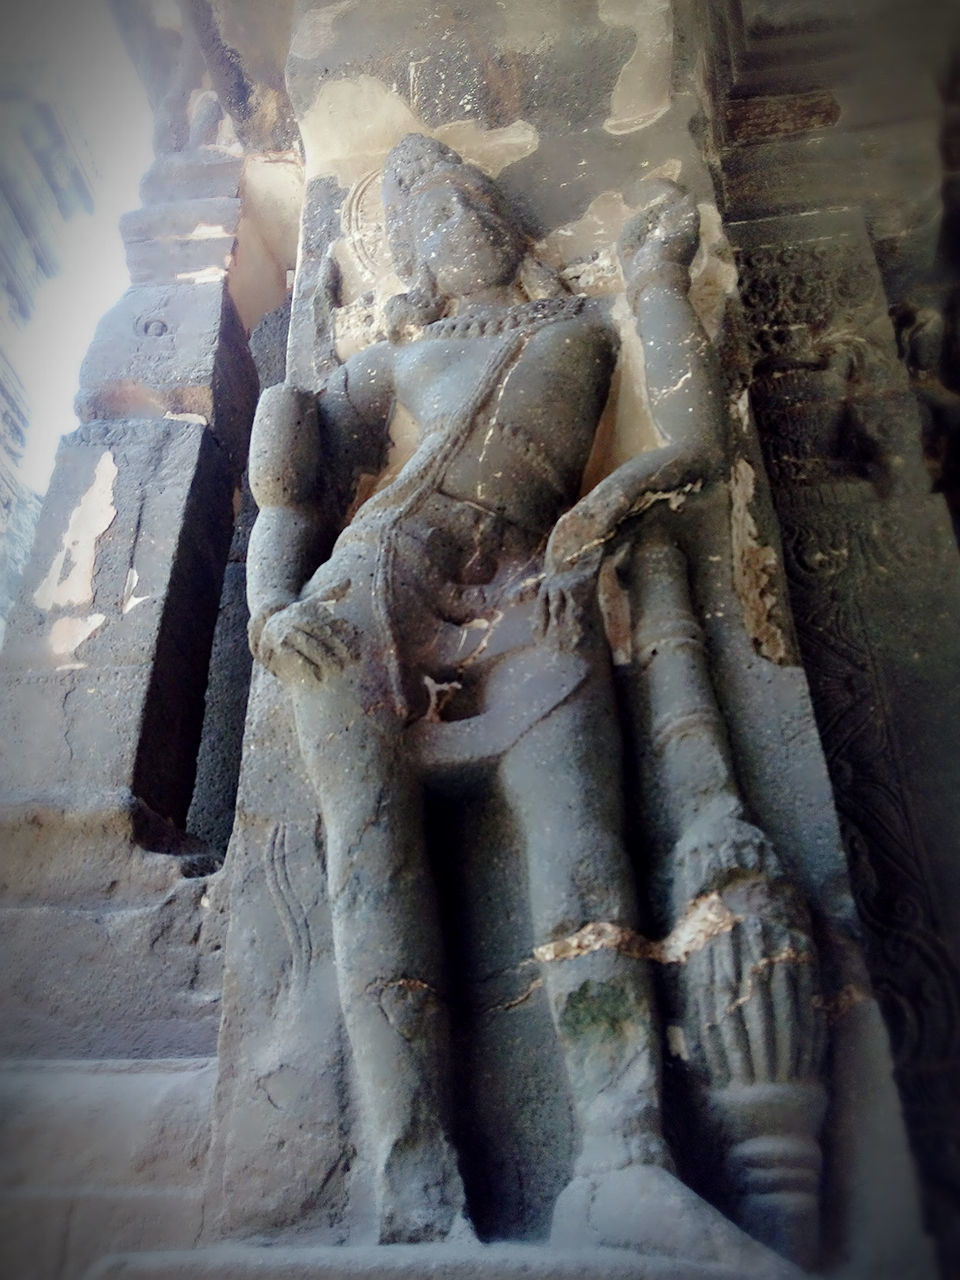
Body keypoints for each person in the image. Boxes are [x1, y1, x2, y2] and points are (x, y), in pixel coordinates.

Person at [246, 133, 726, 1248]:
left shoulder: (587, 331)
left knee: (585, 842)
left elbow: (696, 441)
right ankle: (417, 1186)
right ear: (408, 257)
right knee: (372, 860)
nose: (455, 219)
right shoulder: (391, 363)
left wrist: (652, 287)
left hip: (530, 588)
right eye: (424, 219)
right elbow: (291, 481)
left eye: (467, 198)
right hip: (375, 589)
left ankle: (625, 1155)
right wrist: (274, 609)